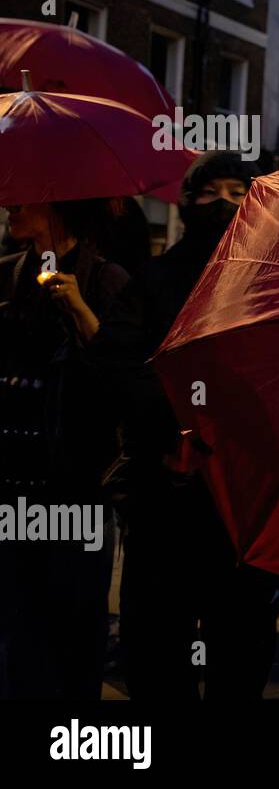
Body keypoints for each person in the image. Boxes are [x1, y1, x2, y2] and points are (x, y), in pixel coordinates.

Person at [92, 151, 279, 700]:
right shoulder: (156, 281)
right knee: (155, 652)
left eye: (237, 191)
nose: (222, 204)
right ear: (187, 203)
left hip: (244, 506)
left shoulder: (278, 286)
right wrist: (175, 421)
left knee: (240, 651)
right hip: (163, 499)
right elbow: (115, 367)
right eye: (209, 192)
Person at [0, 198, 129, 698]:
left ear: (61, 204)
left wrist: (80, 310)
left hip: (76, 491)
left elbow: (123, 377)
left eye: (24, 195)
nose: (9, 205)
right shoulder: (8, 275)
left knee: (74, 632)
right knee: (16, 632)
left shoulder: (106, 280)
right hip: (13, 487)